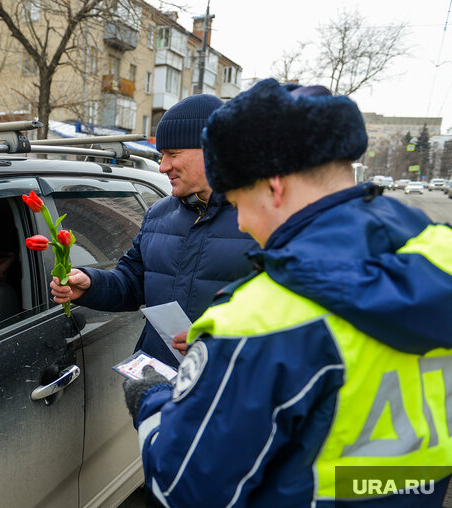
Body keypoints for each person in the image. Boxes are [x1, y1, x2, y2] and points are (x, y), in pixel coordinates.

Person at [122, 78, 452, 506]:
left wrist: (154, 402)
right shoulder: (439, 253)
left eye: (239, 201)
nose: (240, 222)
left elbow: (182, 488)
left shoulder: (260, 321)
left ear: (273, 185)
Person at [50, 94, 256, 368]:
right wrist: (91, 284)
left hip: (224, 390)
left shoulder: (260, 221)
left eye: (173, 154)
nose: (163, 167)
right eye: (162, 156)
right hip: (156, 384)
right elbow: (132, 284)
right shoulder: (159, 215)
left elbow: (289, 322)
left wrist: (222, 344)